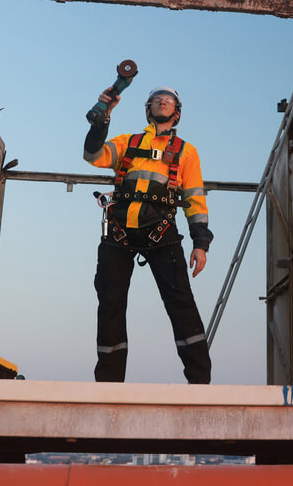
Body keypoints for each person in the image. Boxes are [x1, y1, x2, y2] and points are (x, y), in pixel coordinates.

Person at [83, 85, 213, 384]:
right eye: (157, 98)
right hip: (119, 230)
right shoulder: (127, 142)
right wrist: (102, 119)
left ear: (176, 111)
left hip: (162, 231)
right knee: (110, 303)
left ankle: (200, 382)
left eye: (168, 99)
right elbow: (93, 155)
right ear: (148, 107)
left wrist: (200, 244)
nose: (162, 100)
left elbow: (195, 199)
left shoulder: (186, 151)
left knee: (181, 302)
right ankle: (108, 385)